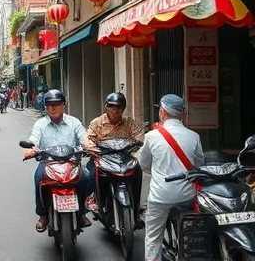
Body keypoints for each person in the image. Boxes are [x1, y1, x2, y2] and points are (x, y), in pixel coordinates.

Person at [138, 94, 204, 261]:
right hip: (186, 196)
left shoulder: (151, 137)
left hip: (160, 196)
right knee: (188, 235)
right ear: (181, 114)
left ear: (163, 113)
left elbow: (143, 163)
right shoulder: (194, 136)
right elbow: (199, 164)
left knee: (153, 238)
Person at [23, 89, 91, 232]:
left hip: (72, 162)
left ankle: (81, 213)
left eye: (56, 104)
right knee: (38, 177)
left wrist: (88, 145)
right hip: (48, 163)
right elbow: (34, 139)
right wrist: (31, 149)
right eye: (49, 105)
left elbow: (84, 138)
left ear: (63, 105)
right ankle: (43, 215)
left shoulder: (74, 122)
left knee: (85, 177)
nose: (52, 108)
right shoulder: (40, 124)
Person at [86, 91, 145, 225]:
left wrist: (136, 144)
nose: (115, 110)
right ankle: (96, 200)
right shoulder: (97, 123)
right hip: (103, 157)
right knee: (90, 173)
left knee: (138, 170)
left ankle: (135, 206)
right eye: (112, 107)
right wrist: (92, 148)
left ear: (123, 109)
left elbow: (139, 136)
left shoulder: (128, 123)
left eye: (118, 107)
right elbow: (88, 138)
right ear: (107, 107)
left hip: (123, 158)